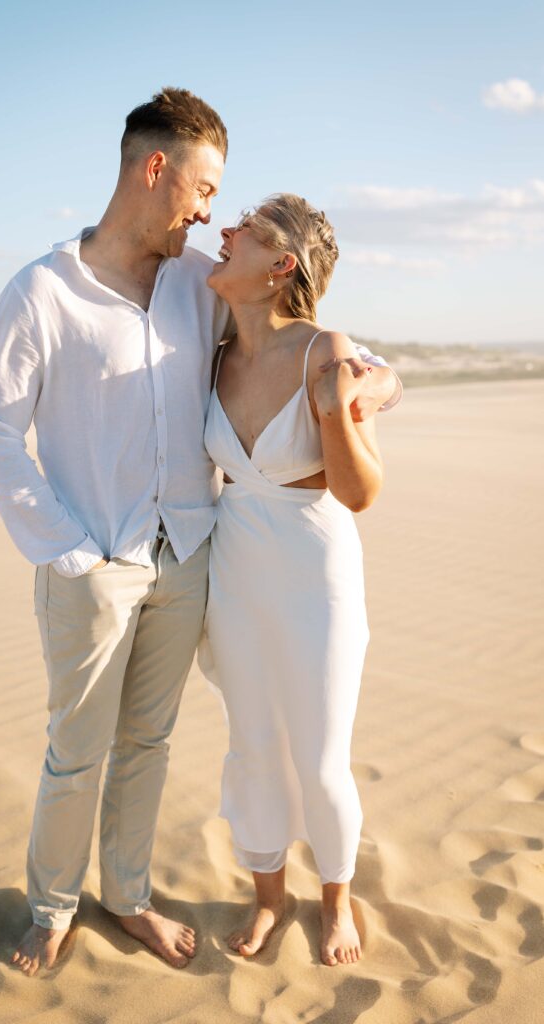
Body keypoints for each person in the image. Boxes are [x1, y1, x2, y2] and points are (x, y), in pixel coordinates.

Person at [0, 88, 399, 976]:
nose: (210, 214)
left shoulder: (195, 287)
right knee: (73, 751)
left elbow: (331, 350)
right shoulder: (42, 292)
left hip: (194, 558)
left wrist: (361, 393)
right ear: (155, 169)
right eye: (204, 190)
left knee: (149, 745)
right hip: (91, 559)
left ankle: (125, 897)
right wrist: (69, 550)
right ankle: (51, 907)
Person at [203, 194, 386, 966]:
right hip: (233, 572)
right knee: (252, 749)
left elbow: (360, 492)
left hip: (316, 575)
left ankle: (335, 903)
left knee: (318, 757)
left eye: (242, 229)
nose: (224, 231)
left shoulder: (326, 351)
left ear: (280, 266)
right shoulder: (210, 346)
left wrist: (335, 408)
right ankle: (270, 901)